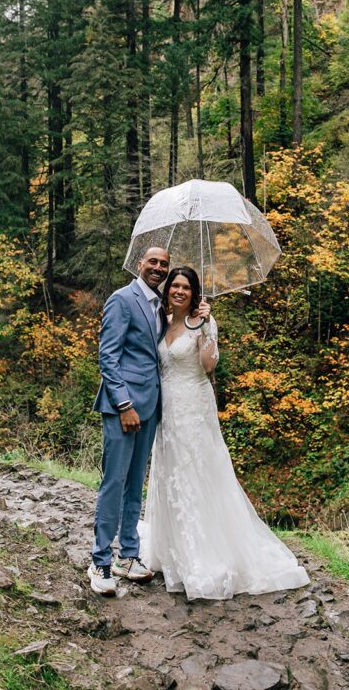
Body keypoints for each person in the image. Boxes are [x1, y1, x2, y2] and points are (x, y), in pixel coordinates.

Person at [141, 266, 310, 600]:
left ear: (194, 292)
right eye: (174, 285)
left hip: (194, 404)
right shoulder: (161, 320)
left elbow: (209, 365)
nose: (178, 291)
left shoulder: (203, 321)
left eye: (185, 287)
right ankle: (170, 548)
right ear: (167, 290)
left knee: (197, 472)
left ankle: (204, 553)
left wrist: (205, 328)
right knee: (170, 471)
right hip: (167, 408)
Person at [87, 246, 170, 596]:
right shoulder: (122, 299)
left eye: (164, 264)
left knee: (136, 483)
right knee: (114, 482)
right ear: (140, 264)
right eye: (153, 262)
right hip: (123, 408)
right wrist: (123, 404)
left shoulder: (161, 307)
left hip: (150, 406)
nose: (158, 267)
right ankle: (100, 559)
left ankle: (129, 556)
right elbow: (108, 356)